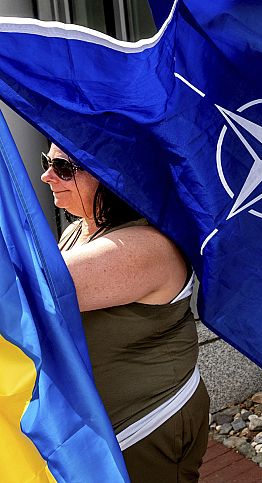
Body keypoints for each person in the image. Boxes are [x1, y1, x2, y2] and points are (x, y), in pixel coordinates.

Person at [39, 144, 208, 482]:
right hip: (116, 427)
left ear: (109, 174)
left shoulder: (142, 246)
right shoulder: (80, 229)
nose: (47, 176)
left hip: (146, 425)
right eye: (47, 162)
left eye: (64, 167)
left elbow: (31, 291)